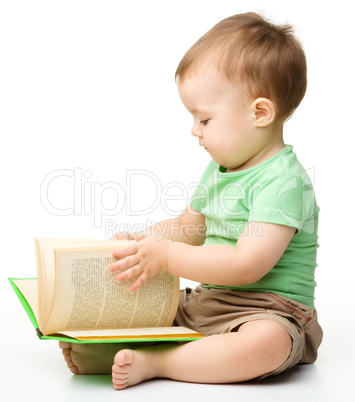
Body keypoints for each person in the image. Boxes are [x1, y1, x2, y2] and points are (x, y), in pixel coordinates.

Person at [59, 12, 323, 390]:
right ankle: (125, 350)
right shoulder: (221, 169)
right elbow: (190, 226)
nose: (194, 131)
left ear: (260, 113)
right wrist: (143, 242)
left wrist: (165, 257)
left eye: (204, 119)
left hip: (268, 310)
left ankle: (160, 361)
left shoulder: (284, 183)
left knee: (266, 344)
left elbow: (246, 264)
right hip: (208, 301)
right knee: (148, 303)